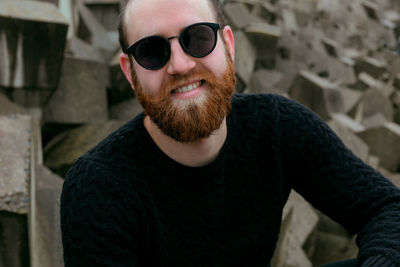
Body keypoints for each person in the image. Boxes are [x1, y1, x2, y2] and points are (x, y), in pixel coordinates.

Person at [60, 0, 400, 266]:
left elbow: (386, 206)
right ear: (129, 72)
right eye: (151, 51)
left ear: (228, 45)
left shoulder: (277, 125)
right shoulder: (98, 188)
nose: (179, 64)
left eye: (198, 38)